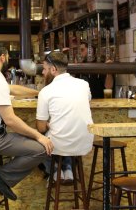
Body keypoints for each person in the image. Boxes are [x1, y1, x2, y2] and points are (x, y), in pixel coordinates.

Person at [0, 43, 53, 201]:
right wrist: (38, 136)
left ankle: (2, 178)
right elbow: (10, 120)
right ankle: (0, 177)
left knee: (37, 144)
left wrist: (40, 93)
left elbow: (13, 89)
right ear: (3, 57)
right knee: (41, 148)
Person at [36, 50, 94, 184]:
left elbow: (40, 128)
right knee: (63, 131)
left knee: (35, 140)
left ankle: (55, 171)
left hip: (60, 145)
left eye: (45, 69)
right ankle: (68, 169)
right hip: (84, 143)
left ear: (53, 69)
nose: (43, 73)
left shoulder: (46, 91)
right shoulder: (83, 84)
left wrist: (49, 125)